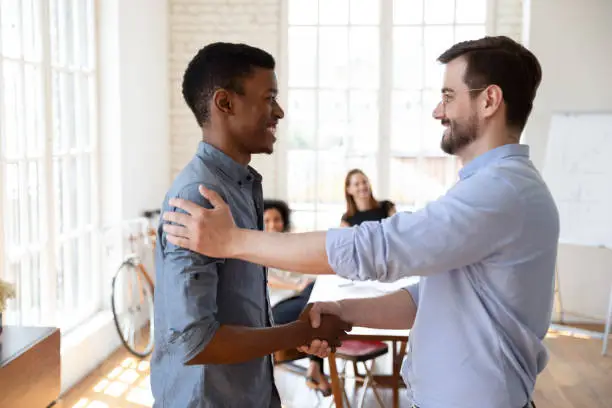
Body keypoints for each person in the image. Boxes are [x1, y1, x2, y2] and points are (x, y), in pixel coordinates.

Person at [161, 35, 555, 408]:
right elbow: (429, 298)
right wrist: (340, 311)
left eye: (448, 96)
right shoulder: (202, 195)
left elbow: (374, 248)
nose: (438, 111)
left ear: (489, 100)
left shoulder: (500, 193)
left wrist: (233, 242)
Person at [150, 42, 351, 408]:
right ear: (225, 103)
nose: (280, 111)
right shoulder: (197, 198)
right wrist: (299, 330)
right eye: (269, 97)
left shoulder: (243, 187)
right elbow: (196, 340)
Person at [263, 199, 330, 396]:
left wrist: (307, 282)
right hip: (277, 306)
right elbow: (267, 281)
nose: (273, 225)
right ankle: (316, 369)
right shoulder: (256, 249)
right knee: (316, 308)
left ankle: (314, 369)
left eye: (277, 220)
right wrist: (297, 285)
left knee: (319, 298)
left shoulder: (289, 245)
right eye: (267, 221)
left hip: (301, 296)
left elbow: (304, 271)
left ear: (283, 221)